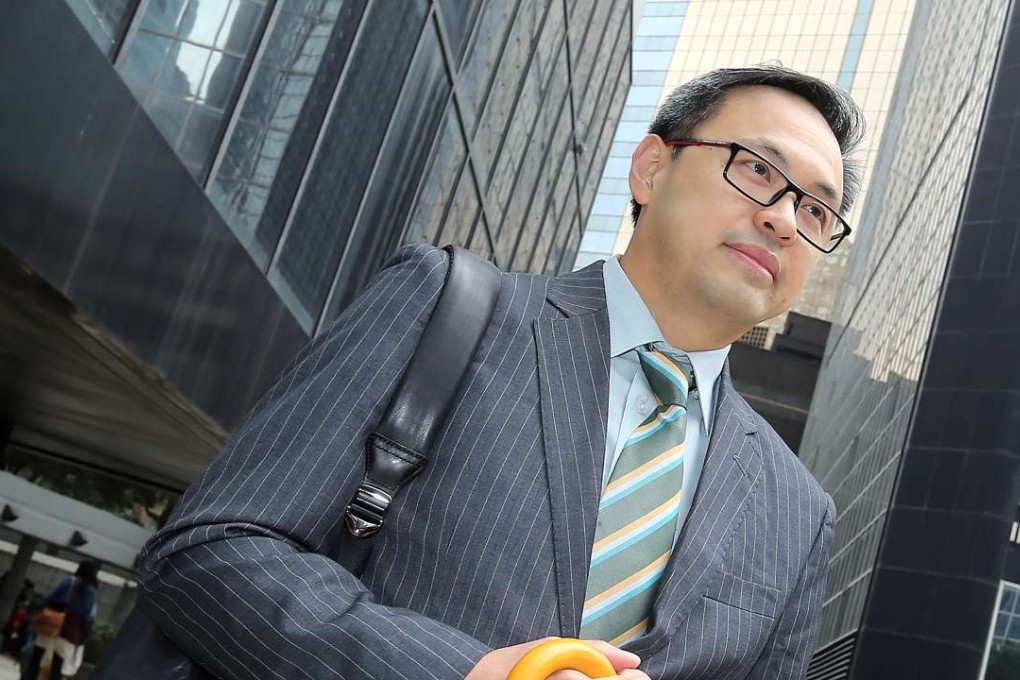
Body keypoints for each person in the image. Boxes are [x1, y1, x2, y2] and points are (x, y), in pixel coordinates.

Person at [135, 65, 864, 679]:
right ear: (650, 168)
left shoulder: (797, 513)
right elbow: (208, 553)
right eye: (758, 170)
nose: (783, 219)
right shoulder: (448, 309)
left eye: (817, 212)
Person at [23, 560, 98, 680]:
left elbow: (49, 597)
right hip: (71, 631)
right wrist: (81, 636)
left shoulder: (70, 581)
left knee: (36, 658)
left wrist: (39, 610)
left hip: (53, 623)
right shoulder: (93, 592)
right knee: (57, 666)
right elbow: (88, 617)